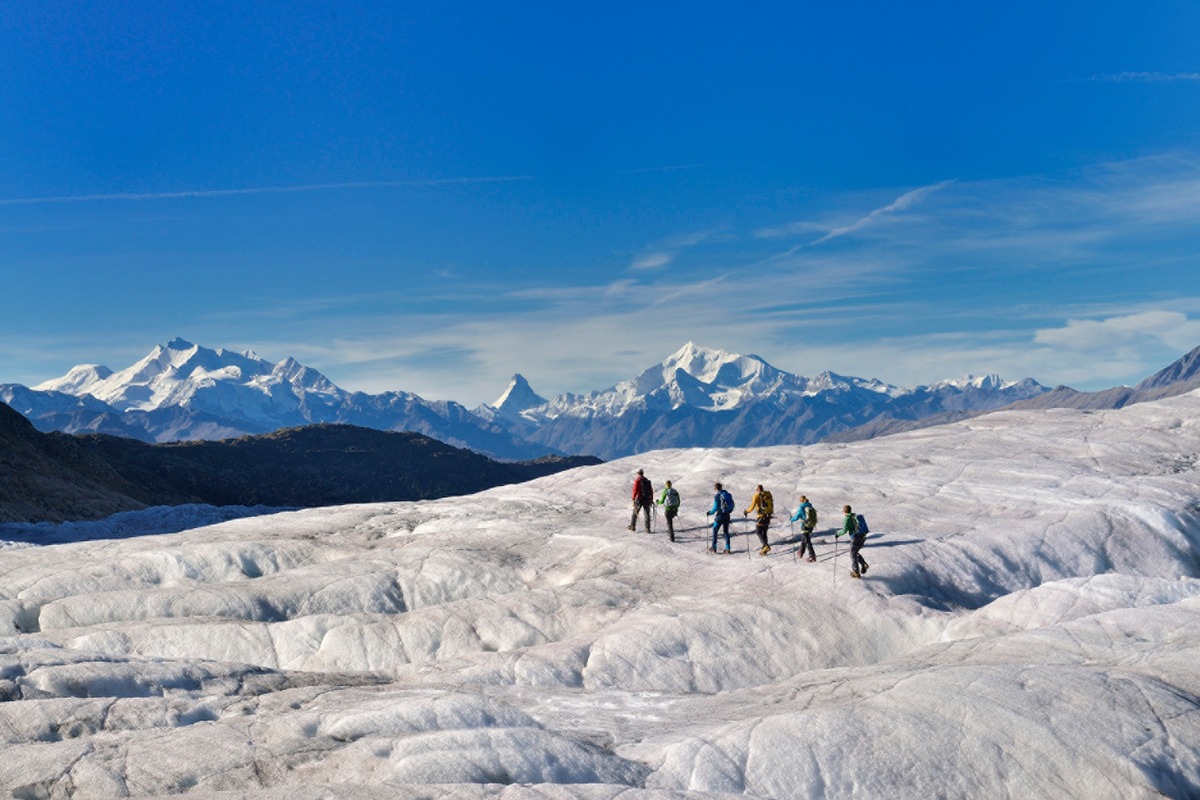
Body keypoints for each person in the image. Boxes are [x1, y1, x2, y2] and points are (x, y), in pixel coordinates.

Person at [839, 504, 869, 578]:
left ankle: (856, 572)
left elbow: (844, 530)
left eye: (843, 511)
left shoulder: (847, 519)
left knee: (852, 554)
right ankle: (864, 564)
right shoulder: (854, 516)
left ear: (845, 511)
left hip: (855, 537)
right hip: (863, 537)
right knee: (855, 552)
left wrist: (837, 534)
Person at [744, 484, 774, 555]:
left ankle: (765, 546)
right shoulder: (767, 495)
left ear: (757, 490)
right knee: (764, 532)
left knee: (758, 531)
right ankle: (764, 549)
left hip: (761, 516)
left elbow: (752, 506)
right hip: (768, 516)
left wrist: (747, 511)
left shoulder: (756, 496)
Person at [706, 482, 734, 554]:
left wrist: (710, 512)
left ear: (716, 488)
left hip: (720, 516)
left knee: (715, 530)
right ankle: (727, 548)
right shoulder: (727, 494)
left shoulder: (717, 496)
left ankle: (714, 547)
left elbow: (715, 507)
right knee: (726, 532)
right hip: (727, 515)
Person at [790, 495, 817, 562]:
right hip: (811, 526)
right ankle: (800, 552)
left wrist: (791, 519)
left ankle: (812, 556)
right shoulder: (810, 506)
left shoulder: (802, 508)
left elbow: (796, 517)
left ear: (801, 501)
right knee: (805, 538)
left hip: (805, 526)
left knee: (807, 541)